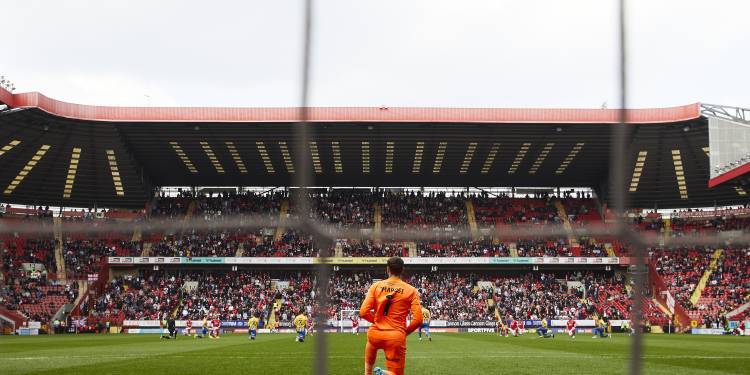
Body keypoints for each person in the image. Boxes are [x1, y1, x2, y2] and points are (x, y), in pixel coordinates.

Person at [359, 256, 423, 375]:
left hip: (375, 334)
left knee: (367, 372)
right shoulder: (411, 290)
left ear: (387, 269)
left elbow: (363, 312)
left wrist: (377, 321)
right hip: (395, 336)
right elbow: (418, 319)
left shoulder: (376, 286)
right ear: (402, 270)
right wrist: (404, 332)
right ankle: (383, 373)